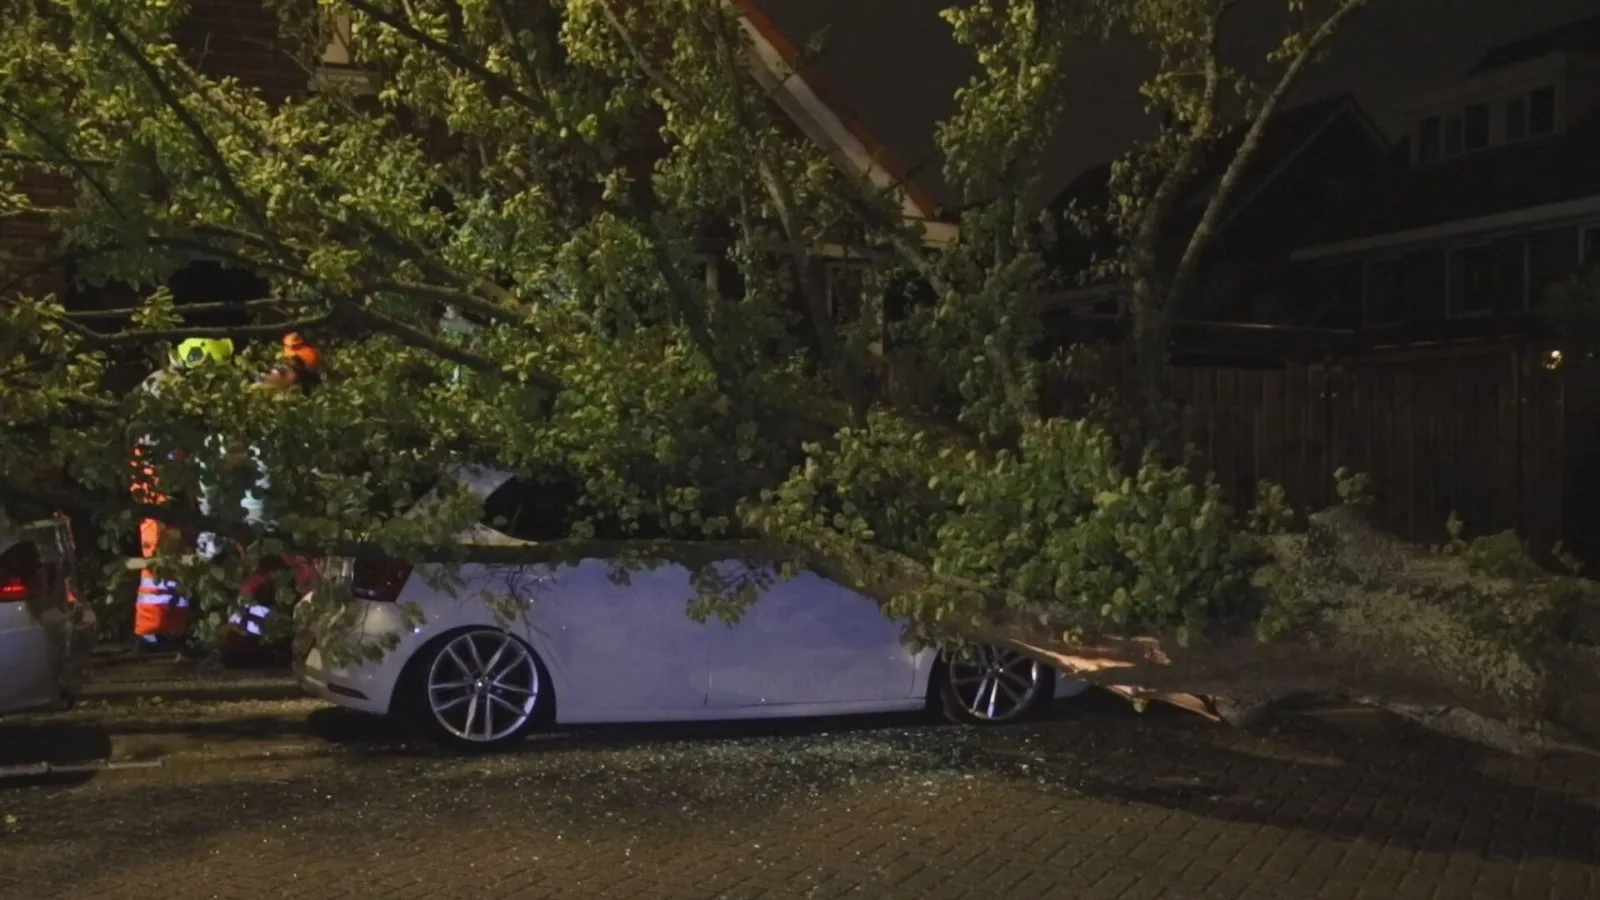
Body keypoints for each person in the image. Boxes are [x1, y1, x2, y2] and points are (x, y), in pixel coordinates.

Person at [219, 332, 326, 665]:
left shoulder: (245, 403)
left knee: (261, 577)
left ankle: (241, 642)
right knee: (309, 574)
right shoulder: (284, 410)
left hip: (250, 509)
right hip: (274, 508)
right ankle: (315, 641)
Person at [131, 338, 234, 653]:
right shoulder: (169, 391)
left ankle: (172, 628)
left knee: (176, 554)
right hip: (160, 476)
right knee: (162, 556)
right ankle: (153, 631)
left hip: (167, 473)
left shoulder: (163, 384)